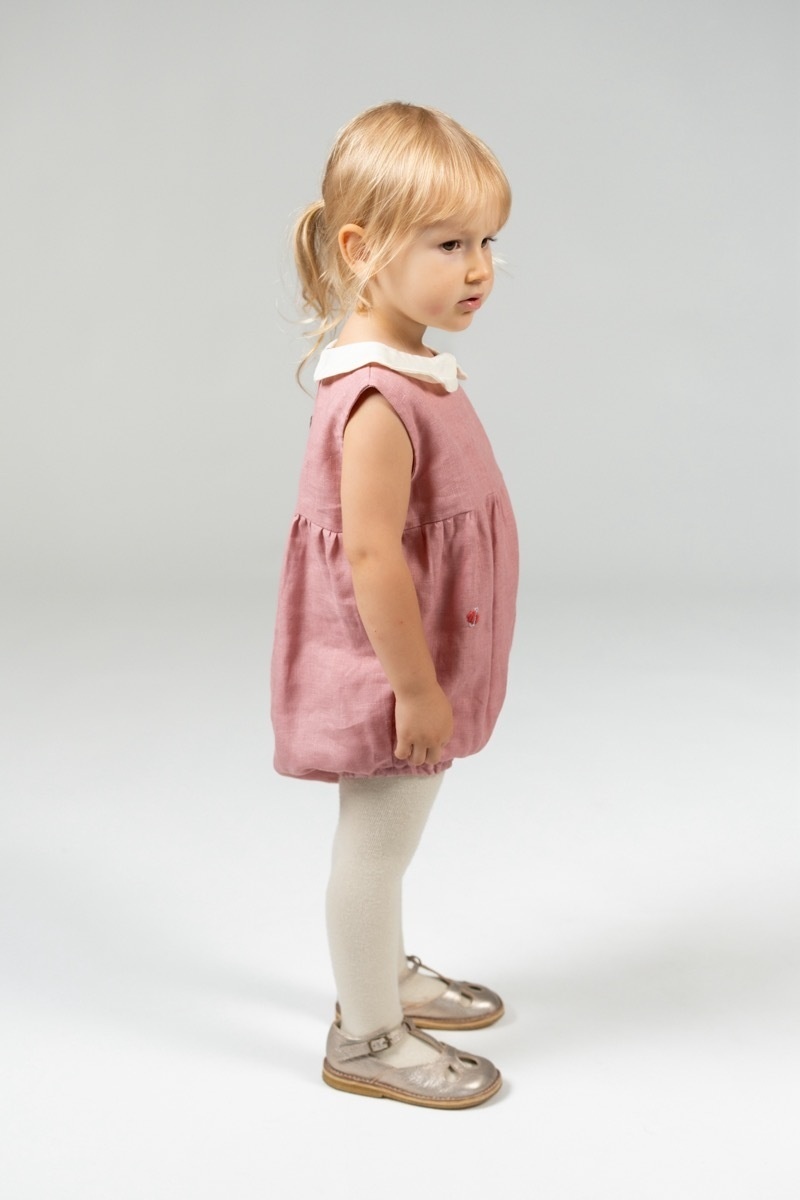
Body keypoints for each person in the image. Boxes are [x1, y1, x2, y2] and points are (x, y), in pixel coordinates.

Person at [270, 101, 518, 1109]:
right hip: (390, 668)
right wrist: (415, 690)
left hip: (419, 656)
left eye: (487, 241)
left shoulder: (412, 363)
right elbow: (371, 556)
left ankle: (385, 975)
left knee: (392, 840)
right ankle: (366, 1033)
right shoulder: (375, 396)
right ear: (361, 248)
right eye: (449, 244)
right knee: (376, 847)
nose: (479, 267)